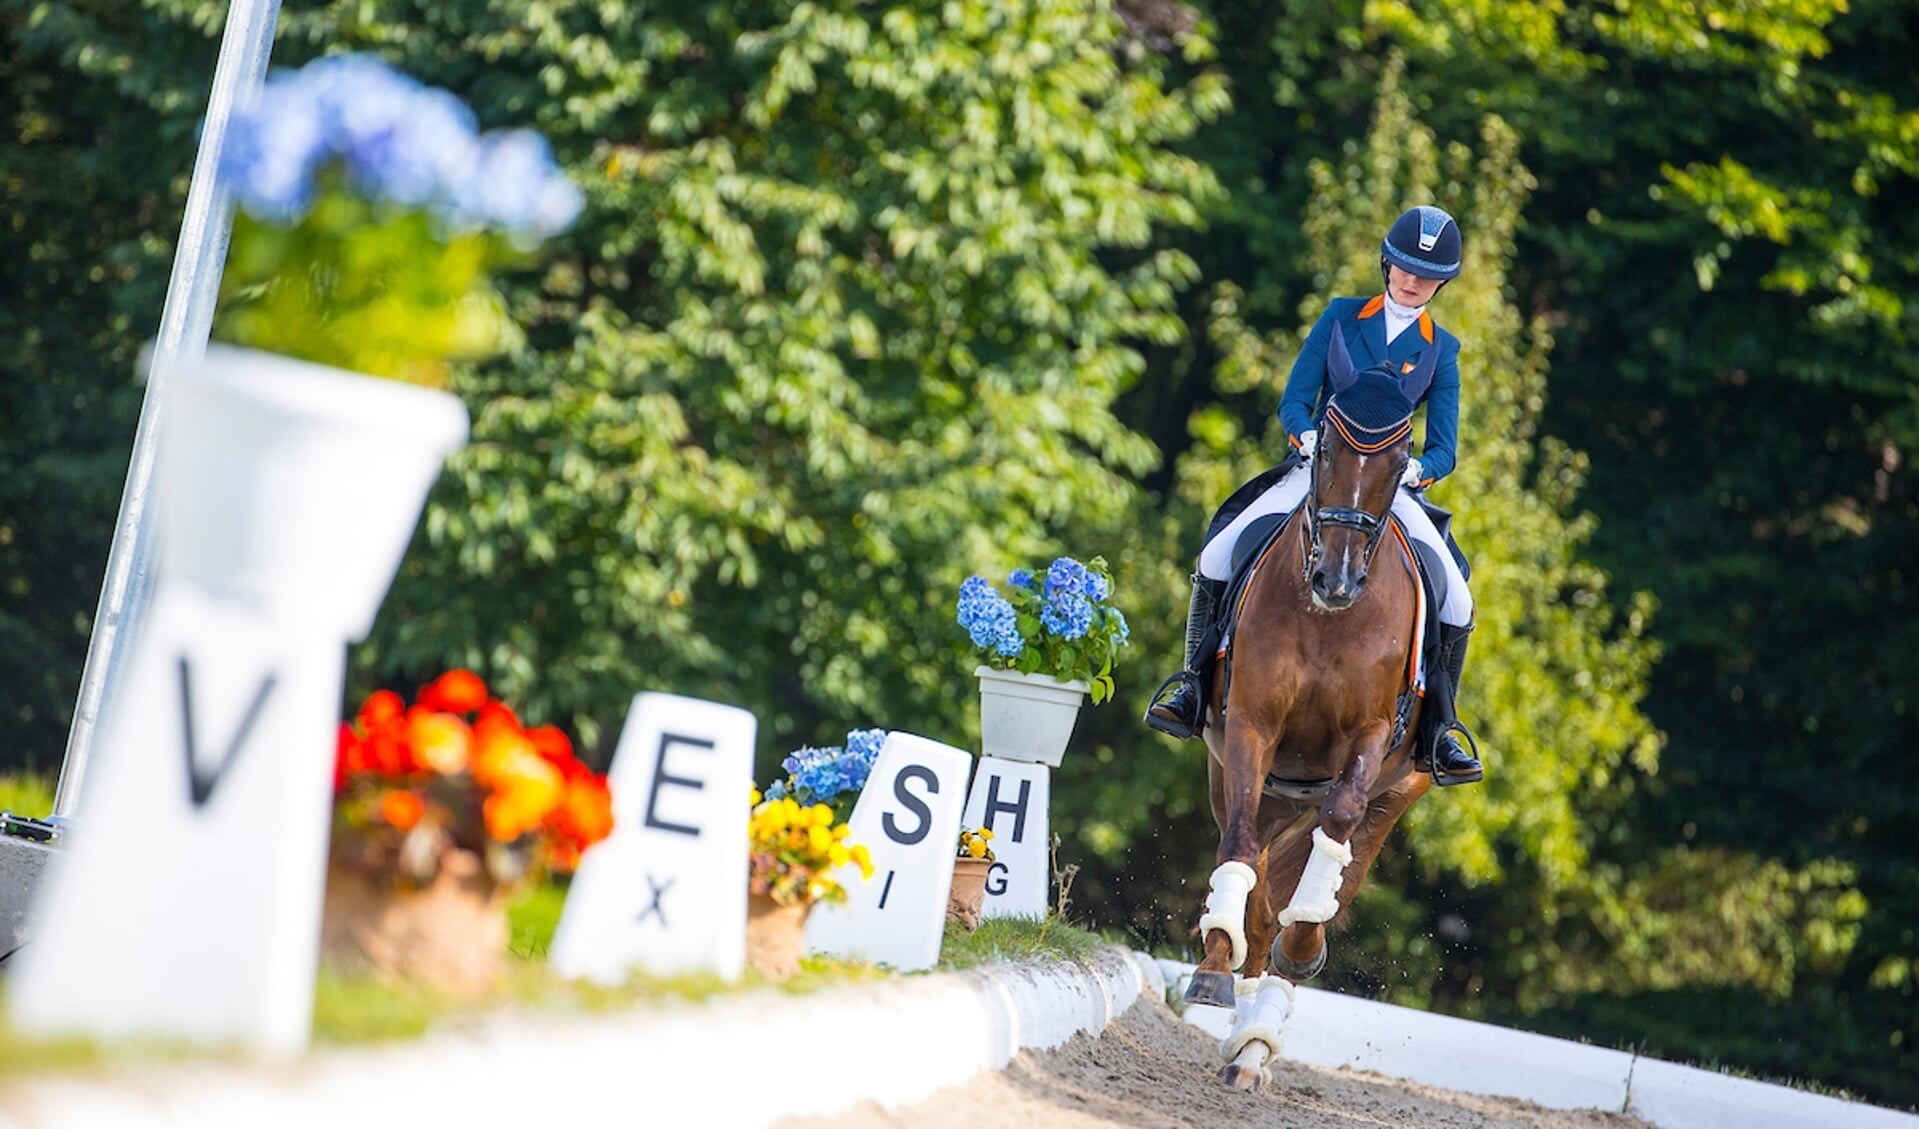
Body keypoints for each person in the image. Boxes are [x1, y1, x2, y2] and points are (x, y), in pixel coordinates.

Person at [1143, 205, 1484, 785]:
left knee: (1457, 598)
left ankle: (1440, 729)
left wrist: (1415, 473)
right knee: (1217, 553)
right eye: (1403, 268)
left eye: (1425, 275)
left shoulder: (1441, 349)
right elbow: (1296, 397)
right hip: (1318, 470)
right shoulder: (1341, 317)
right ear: (1386, 264)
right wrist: (1304, 436)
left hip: (1385, 487)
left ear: (1441, 283)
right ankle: (1193, 686)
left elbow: (1444, 448)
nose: (1411, 280)